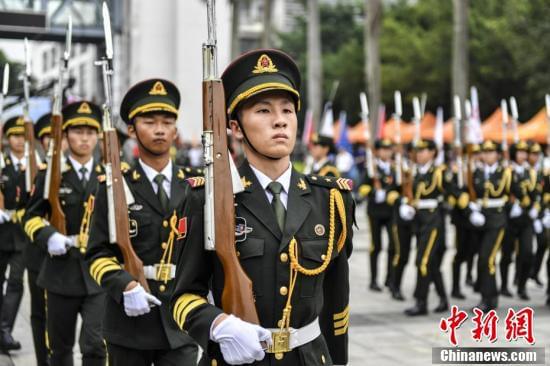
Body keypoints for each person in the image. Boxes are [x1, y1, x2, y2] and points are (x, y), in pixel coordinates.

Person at [171, 49, 355, 366]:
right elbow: (182, 298)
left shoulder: (331, 199)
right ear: (236, 128)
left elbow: (337, 303)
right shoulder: (209, 198)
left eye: (287, 110)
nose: (280, 120)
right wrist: (217, 325)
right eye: (264, 111)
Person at [86, 78, 199, 366]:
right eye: (150, 121)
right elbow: (97, 254)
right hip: (129, 324)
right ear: (132, 130)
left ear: (175, 130)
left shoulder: (195, 185)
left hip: (181, 321)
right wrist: (124, 285)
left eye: (167, 121)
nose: (160, 129)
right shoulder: (114, 186)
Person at [23, 101, 106, 366]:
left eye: (90, 132)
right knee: (59, 349)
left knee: (95, 345)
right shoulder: (51, 174)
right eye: (78, 131)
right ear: (66, 135)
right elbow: (30, 217)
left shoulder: (109, 175)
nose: (84, 138)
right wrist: (49, 236)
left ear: (98, 136)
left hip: (98, 274)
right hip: (60, 274)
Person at [472, 140, 516, 311]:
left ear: (498, 154)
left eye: (491, 152)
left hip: (497, 219)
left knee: (487, 259)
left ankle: (489, 298)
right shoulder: (477, 172)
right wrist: (472, 209)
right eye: (485, 152)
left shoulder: (505, 172)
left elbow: (517, 193)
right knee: (482, 260)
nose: (487, 155)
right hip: (480, 219)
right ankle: (488, 296)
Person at [23, 112, 53, 365]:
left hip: (74, 262)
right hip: (39, 255)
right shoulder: (38, 170)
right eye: (46, 138)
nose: (51, 143)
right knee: (40, 315)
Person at [0, 116, 29, 353]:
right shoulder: (2, 164)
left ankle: (5, 330)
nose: (19, 140)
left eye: (22, 135)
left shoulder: (33, 165)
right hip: (1, 232)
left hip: (21, 235)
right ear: (8, 139)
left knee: (16, 282)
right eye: (15, 136)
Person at [358, 138, 397, 292]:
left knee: (393, 245)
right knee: (376, 246)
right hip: (375, 211)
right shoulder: (371, 168)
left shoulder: (395, 168)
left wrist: (390, 194)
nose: (386, 152)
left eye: (389, 149)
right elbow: (362, 188)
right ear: (378, 151)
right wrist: (374, 192)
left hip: (390, 211)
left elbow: (400, 187)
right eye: (383, 149)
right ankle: (374, 280)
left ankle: (389, 278)